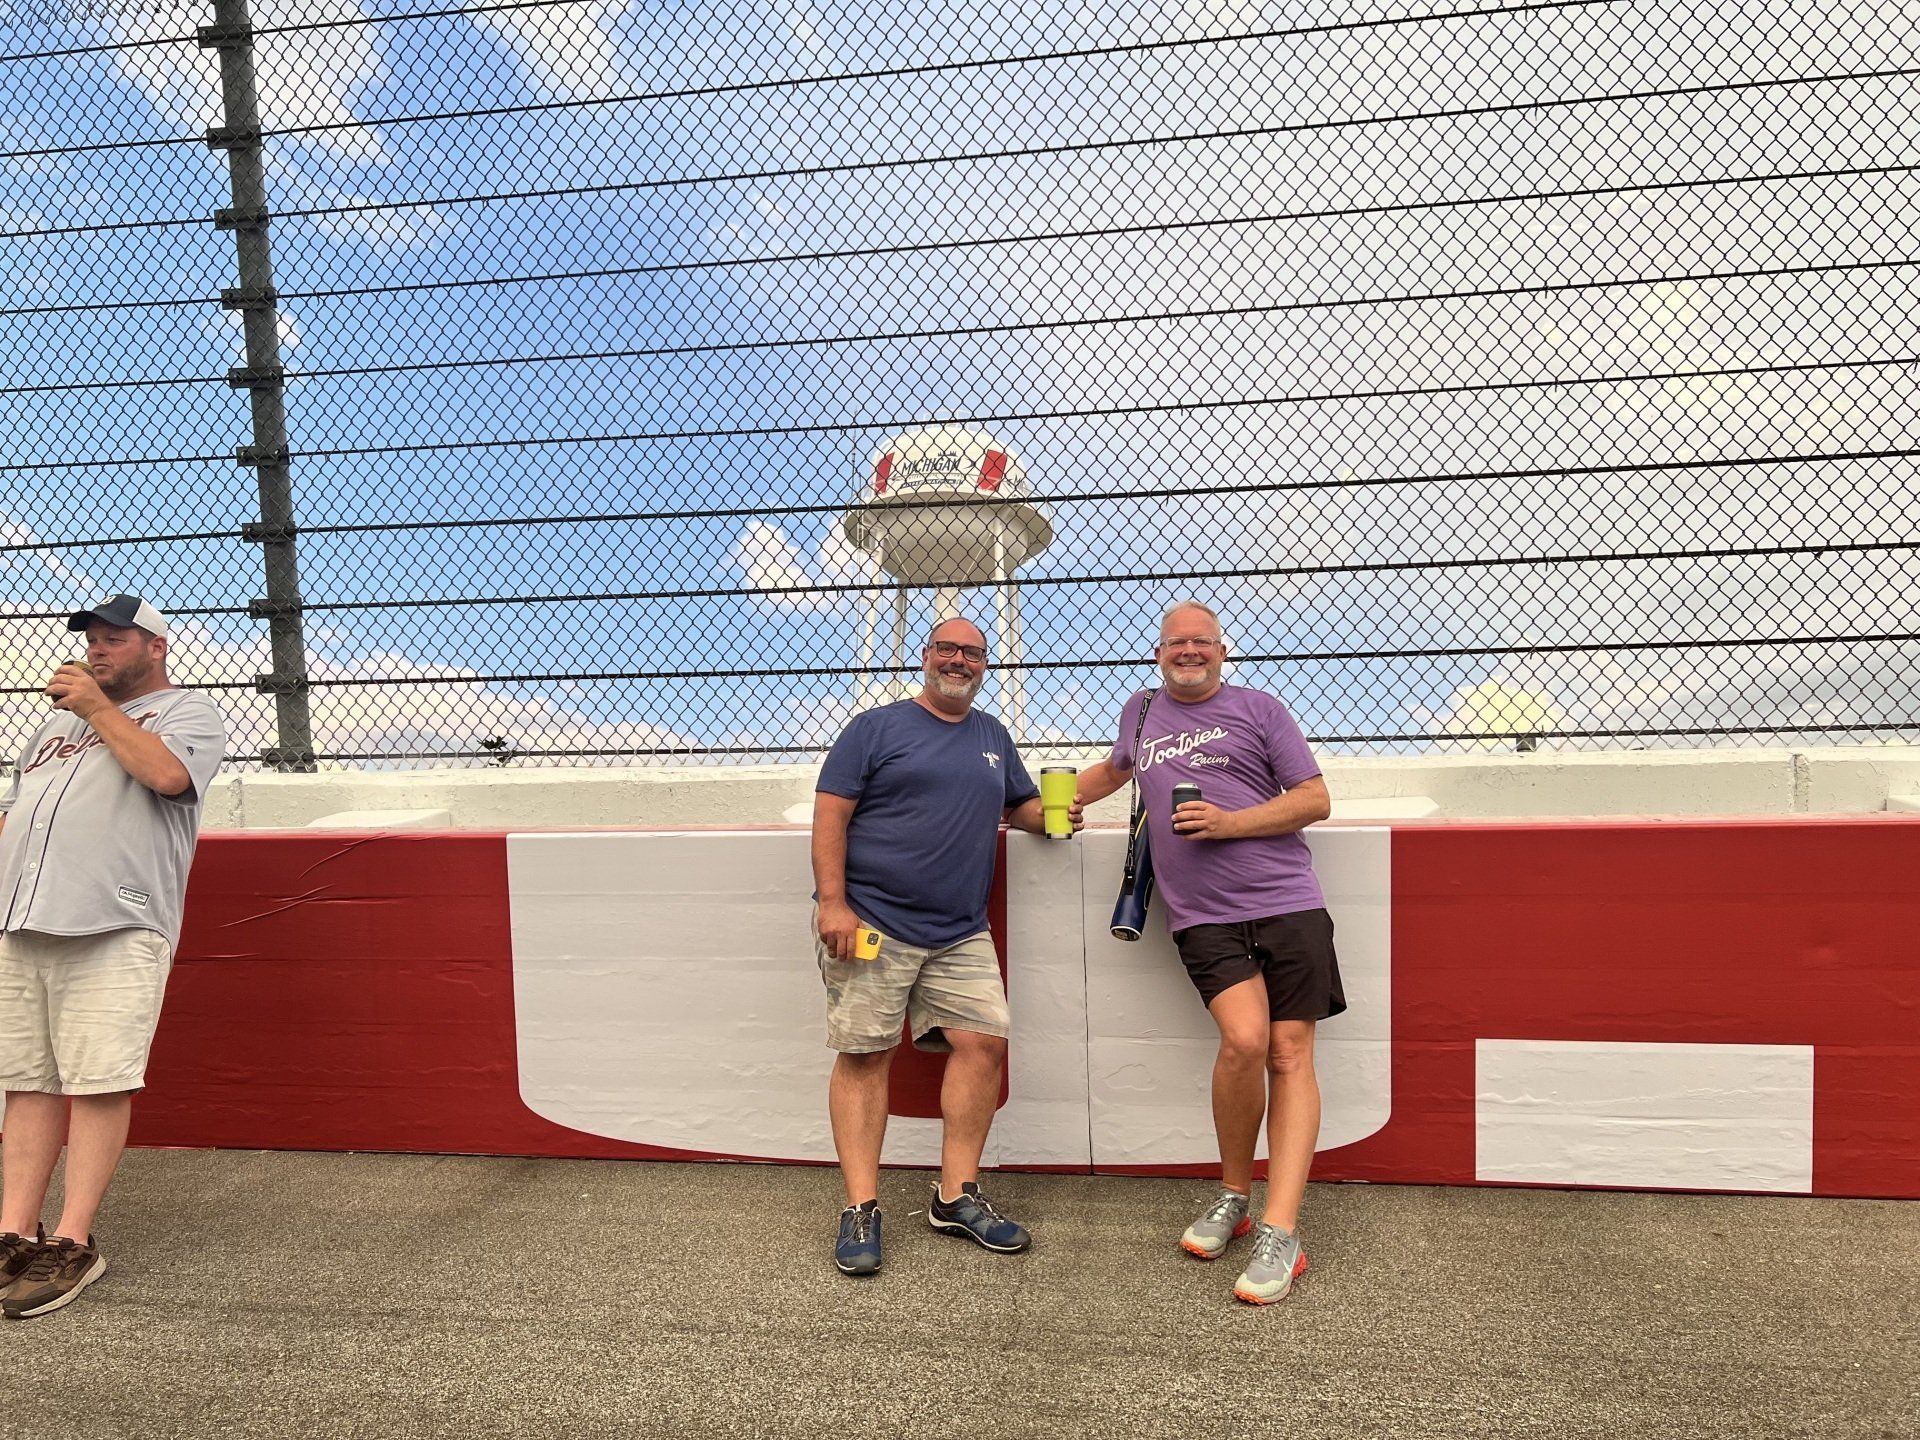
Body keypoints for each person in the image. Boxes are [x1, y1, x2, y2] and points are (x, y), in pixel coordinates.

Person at [1074, 601, 1341, 1305]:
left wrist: (1229, 824)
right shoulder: (1139, 713)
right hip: (1202, 917)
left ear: (1222, 652)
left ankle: (1281, 1231)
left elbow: (1314, 800)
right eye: (1175, 643)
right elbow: (1111, 773)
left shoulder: (1260, 709)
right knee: (1243, 1043)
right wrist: (1041, 801)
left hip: (1285, 901)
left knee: (1288, 1054)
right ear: (1158, 653)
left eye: (1201, 643)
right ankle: (1234, 1194)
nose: (1188, 651)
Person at [812, 616, 1067, 1276]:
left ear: (985, 666)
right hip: (871, 921)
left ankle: (955, 1197)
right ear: (926, 657)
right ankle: (861, 1208)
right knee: (866, 1054)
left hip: (960, 930)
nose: (960, 661)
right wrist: (833, 903)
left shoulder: (992, 735)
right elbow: (831, 812)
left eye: (972, 653)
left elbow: (1024, 808)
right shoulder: (877, 727)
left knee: (984, 1043)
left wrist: (1068, 808)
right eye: (948, 650)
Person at [0, 596, 226, 1318]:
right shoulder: (53, 728)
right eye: (92, 640)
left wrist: (97, 707)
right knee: (27, 1079)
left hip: (116, 920)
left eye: (115, 639)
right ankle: (14, 1231)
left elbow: (166, 778)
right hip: (25, 919)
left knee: (98, 1078)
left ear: (155, 646)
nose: (98, 649)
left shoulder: (187, 714)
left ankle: (72, 1240)